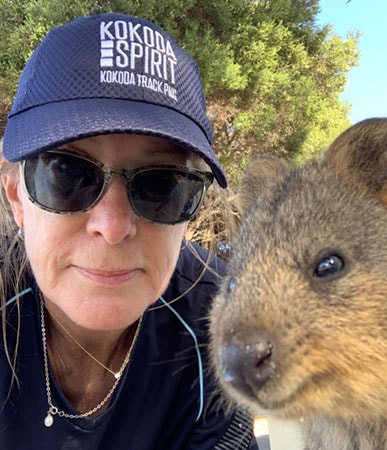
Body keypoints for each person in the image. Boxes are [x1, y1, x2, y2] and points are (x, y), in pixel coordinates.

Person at [0, 12, 259, 450]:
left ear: (190, 209)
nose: (113, 226)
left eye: (162, 184)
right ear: (16, 196)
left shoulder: (218, 322)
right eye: (68, 173)